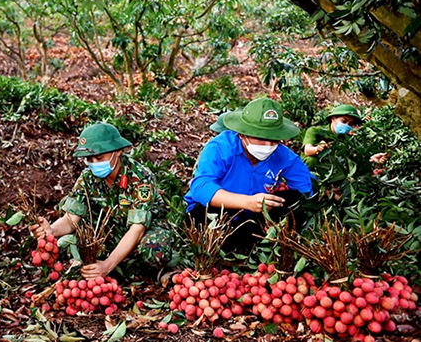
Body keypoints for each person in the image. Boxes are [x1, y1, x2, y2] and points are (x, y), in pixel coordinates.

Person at [31, 123, 174, 279]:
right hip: (110, 230)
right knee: (69, 244)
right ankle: (118, 258)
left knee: (154, 253)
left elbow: (137, 228)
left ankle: (128, 264)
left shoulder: (140, 177)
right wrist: (51, 231)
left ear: (118, 151)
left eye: (99, 157)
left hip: (144, 229)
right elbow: (71, 219)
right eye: (89, 159)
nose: (94, 163)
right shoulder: (87, 177)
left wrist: (107, 265)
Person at [184, 98, 313, 253]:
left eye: (273, 140)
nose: (267, 146)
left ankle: (259, 242)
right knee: (205, 214)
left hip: (252, 215)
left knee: (296, 202)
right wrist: (247, 202)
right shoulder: (221, 147)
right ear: (242, 134)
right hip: (214, 213)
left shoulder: (282, 155)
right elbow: (200, 187)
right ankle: (232, 246)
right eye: (260, 138)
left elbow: (306, 189)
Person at [302, 104, 387, 170]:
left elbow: (354, 158)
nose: (347, 125)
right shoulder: (315, 131)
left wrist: (372, 159)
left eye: (350, 124)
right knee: (312, 161)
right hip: (310, 169)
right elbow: (307, 151)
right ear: (333, 118)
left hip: (332, 171)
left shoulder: (347, 139)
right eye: (344, 121)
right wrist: (317, 149)